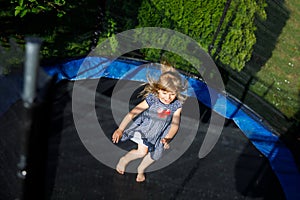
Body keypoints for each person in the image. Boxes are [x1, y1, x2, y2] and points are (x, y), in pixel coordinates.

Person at [112, 62, 187, 182]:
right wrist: (120, 129)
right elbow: (134, 112)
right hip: (148, 128)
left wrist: (168, 138)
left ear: (177, 93)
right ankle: (124, 160)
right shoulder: (153, 99)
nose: (168, 98)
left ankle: (141, 168)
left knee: (155, 156)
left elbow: (175, 124)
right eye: (164, 93)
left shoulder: (176, 105)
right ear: (158, 90)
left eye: (172, 94)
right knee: (142, 152)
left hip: (161, 132)